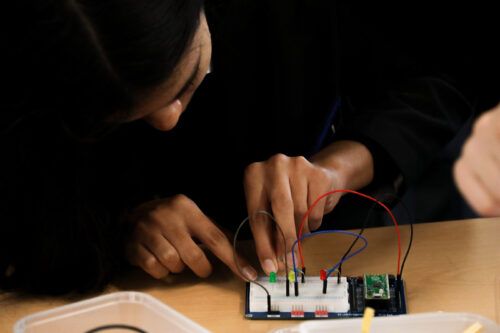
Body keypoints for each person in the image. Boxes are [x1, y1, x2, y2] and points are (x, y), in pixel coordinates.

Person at [1, 1, 473, 294]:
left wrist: (339, 165)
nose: (168, 122)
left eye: (185, 82)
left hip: (346, 239)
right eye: (123, 118)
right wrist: (116, 225)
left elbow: (445, 73)